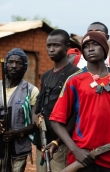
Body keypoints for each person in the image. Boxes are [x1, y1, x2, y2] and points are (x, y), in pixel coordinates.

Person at [49, 31, 110, 172]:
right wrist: (75, 150)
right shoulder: (74, 80)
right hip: (84, 156)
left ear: (104, 48)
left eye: (95, 44)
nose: (90, 48)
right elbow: (56, 120)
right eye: (86, 46)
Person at [32, 29, 80, 172]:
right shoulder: (46, 75)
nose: (51, 49)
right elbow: (39, 102)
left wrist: (59, 141)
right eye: (49, 46)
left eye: (56, 45)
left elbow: (76, 114)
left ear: (67, 47)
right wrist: (34, 115)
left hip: (61, 144)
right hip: (42, 140)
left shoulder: (75, 74)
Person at [0, 48, 39, 172]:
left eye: (19, 63)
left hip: (18, 150)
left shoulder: (31, 91)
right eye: (10, 62)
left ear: (24, 66)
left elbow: (35, 123)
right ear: (5, 64)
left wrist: (17, 132)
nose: (14, 66)